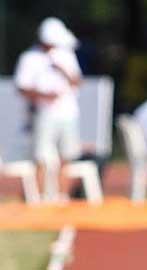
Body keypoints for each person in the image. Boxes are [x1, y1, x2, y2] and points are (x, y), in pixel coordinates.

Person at [14, 17, 82, 201]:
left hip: (68, 113)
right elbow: (21, 87)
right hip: (44, 114)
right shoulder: (29, 57)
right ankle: (37, 197)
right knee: (41, 157)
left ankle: (62, 196)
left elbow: (77, 81)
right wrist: (44, 95)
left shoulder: (66, 55)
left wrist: (62, 69)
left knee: (66, 156)